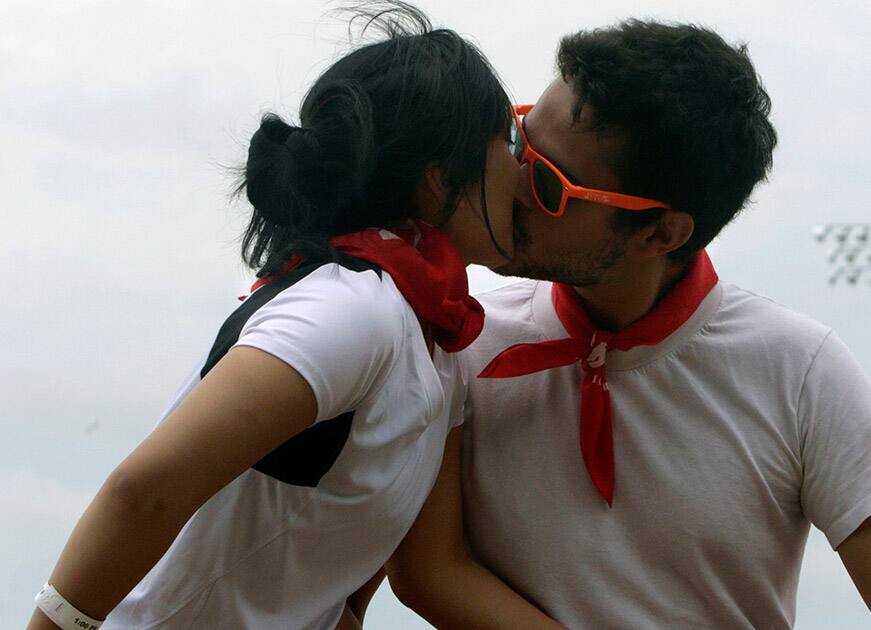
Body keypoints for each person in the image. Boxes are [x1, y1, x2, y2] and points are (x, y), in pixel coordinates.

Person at [389, 19, 871, 629]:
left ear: (660, 231)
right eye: (518, 140)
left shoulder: (800, 372)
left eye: (548, 182)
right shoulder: (459, 341)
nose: (509, 182)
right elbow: (423, 573)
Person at [27, 5, 563, 629]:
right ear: (441, 181)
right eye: (509, 140)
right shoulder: (351, 310)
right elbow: (145, 489)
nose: (524, 166)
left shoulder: (436, 345)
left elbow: (417, 569)